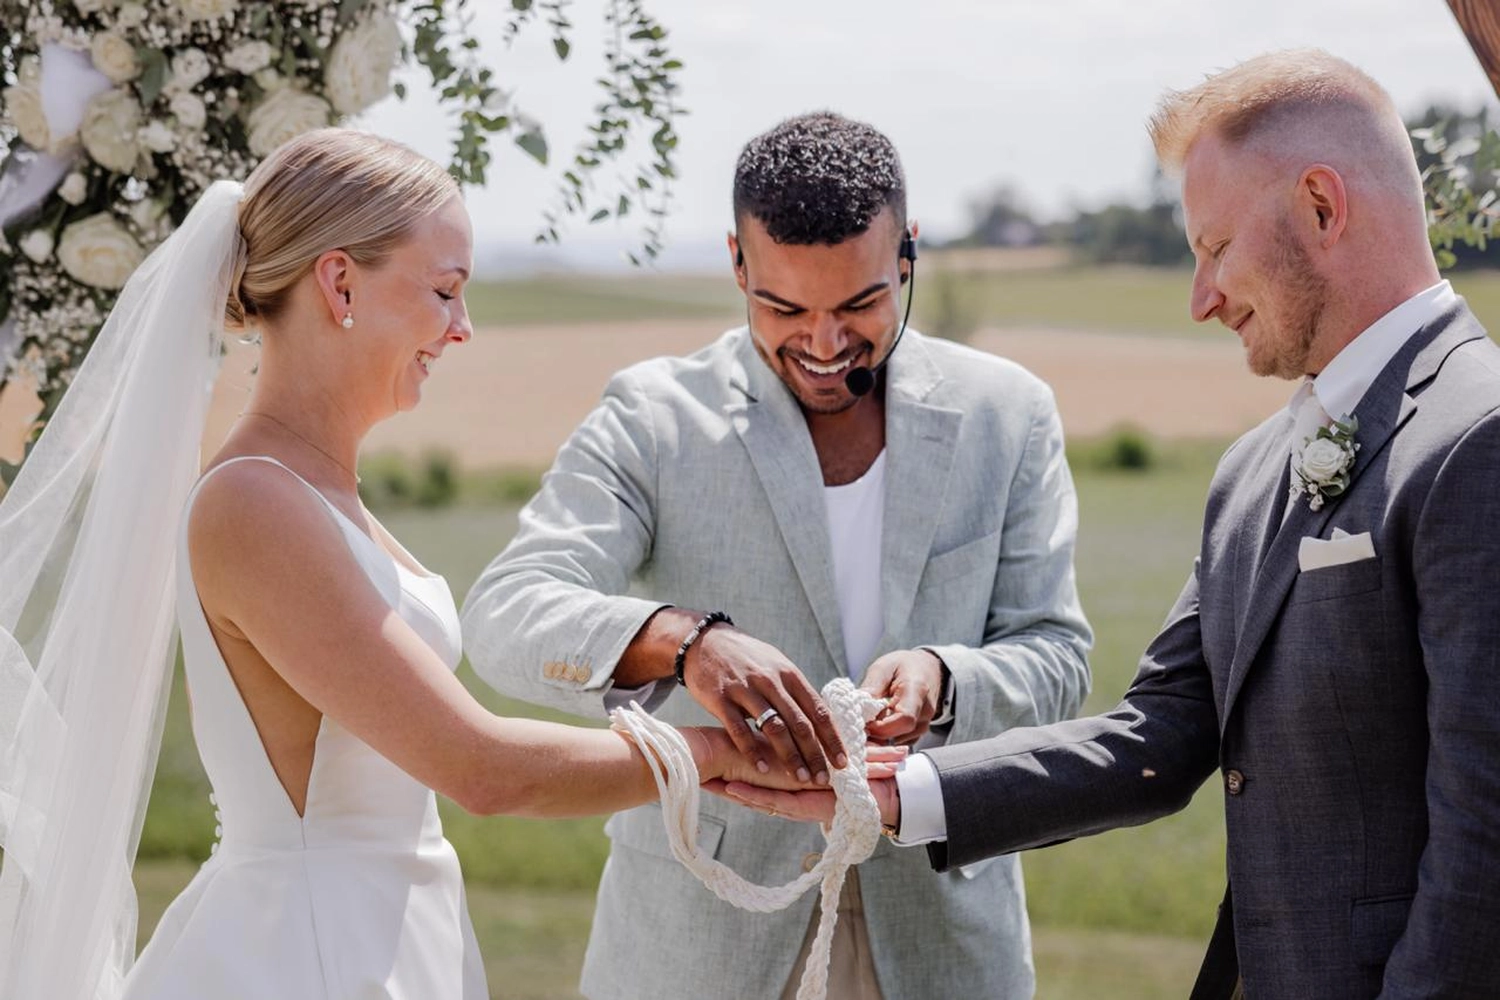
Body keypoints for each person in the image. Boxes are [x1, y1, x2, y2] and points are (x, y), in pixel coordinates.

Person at [728, 51, 1500, 999]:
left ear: (1320, 207)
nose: (1201, 297)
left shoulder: (1479, 435)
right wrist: (897, 792)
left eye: (1216, 247)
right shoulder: (1252, 470)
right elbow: (1158, 736)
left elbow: (1485, 843)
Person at [0, 129, 829, 1000]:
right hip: (305, 956)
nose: (463, 328)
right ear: (340, 282)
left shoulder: (319, 493)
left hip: (375, 933)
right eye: (443, 290)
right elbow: (482, 768)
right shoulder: (254, 504)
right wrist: (721, 753)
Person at [460, 111, 1092, 1000]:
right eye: (784, 308)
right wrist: (686, 642)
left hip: (944, 937)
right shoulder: (651, 417)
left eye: (859, 305)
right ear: (736, 263)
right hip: (702, 947)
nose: (825, 345)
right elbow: (506, 611)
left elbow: (1058, 654)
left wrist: (946, 678)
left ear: (908, 255)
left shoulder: (1009, 414)